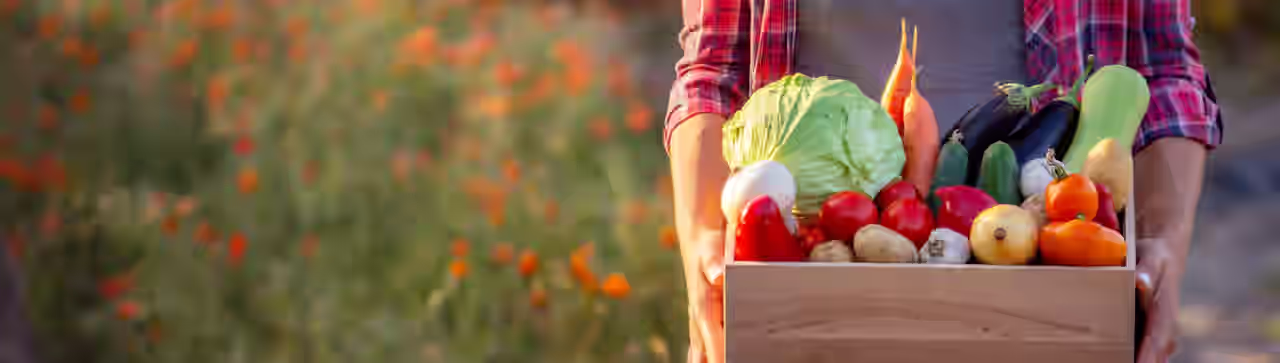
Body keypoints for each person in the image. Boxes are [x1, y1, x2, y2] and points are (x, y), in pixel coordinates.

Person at [664, 1, 1223, 362]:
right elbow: (715, 71)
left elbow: (1165, 68)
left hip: (1039, 274)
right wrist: (704, 247)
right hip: (807, 268)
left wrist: (1163, 240)